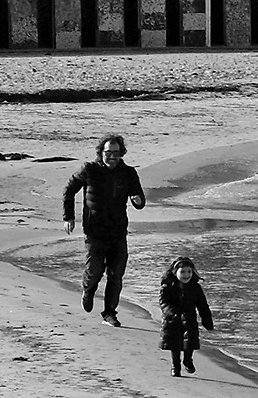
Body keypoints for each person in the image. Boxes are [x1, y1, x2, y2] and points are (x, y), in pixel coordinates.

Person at [63, 133, 145, 326]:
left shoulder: (128, 173)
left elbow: (139, 199)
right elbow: (69, 189)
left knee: (116, 275)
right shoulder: (90, 169)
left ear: (121, 153)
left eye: (116, 153)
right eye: (108, 152)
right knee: (95, 270)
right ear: (101, 152)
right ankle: (88, 289)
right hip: (95, 231)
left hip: (118, 231)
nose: (112, 156)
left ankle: (109, 314)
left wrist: (138, 201)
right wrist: (68, 217)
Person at [158, 256, 214, 376]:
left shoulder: (195, 288)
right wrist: (172, 313)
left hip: (189, 319)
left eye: (189, 271)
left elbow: (203, 305)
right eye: (182, 272)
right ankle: (175, 366)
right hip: (172, 321)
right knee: (175, 345)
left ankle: (188, 360)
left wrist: (207, 320)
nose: (186, 275)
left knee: (190, 342)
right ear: (175, 272)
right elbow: (164, 303)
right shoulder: (167, 287)